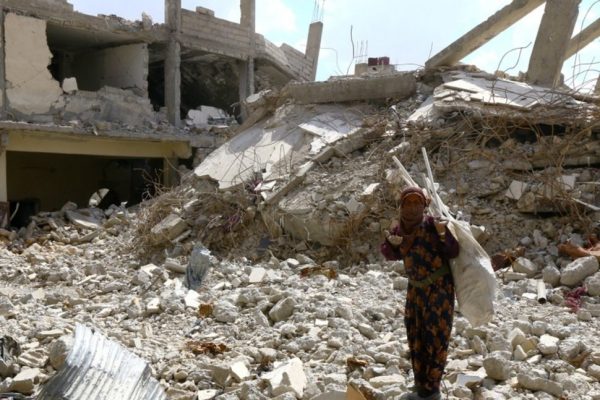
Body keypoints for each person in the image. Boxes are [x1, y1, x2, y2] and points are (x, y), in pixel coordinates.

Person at [380, 186, 459, 400]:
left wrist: (444, 234)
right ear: (401, 207)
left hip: (439, 289)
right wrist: (391, 244)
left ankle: (432, 390)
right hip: (415, 289)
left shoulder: (434, 225)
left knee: (436, 337)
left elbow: (453, 250)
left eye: (417, 203)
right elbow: (389, 254)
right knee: (415, 334)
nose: (413, 208)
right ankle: (420, 385)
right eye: (408, 203)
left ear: (424, 206)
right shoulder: (400, 230)